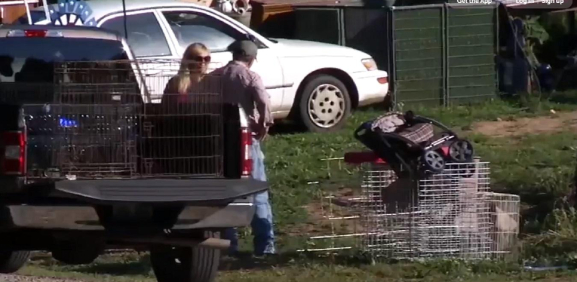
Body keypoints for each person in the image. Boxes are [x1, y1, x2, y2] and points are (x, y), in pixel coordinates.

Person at [215, 40, 275, 257]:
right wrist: (263, 124)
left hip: (220, 139)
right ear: (252, 58)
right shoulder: (250, 77)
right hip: (245, 139)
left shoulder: (215, 75)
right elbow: (263, 102)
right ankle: (265, 245)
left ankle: (228, 243)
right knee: (257, 189)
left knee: (225, 192)